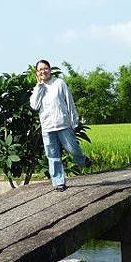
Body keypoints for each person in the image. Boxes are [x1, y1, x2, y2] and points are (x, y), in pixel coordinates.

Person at [29, 59, 91, 191]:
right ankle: (58, 182)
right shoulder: (38, 88)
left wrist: (74, 121)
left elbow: (70, 102)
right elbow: (34, 106)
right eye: (40, 70)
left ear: (50, 70)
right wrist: (39, 87)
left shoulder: (59, 83)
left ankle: (82, 160)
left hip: (63, 124)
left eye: (45, 68)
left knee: (72, 149)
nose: (43, 71)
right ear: (37, 73)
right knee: (52, 155)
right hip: (47, 127)